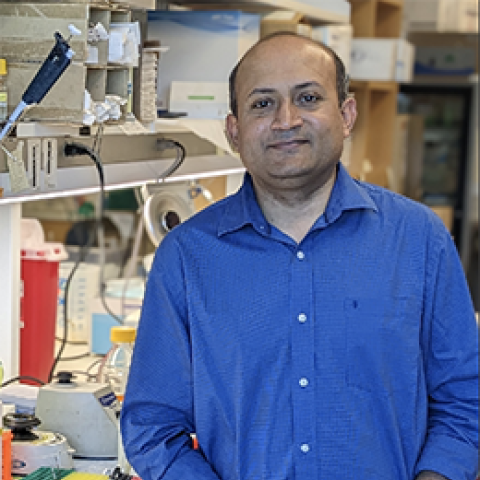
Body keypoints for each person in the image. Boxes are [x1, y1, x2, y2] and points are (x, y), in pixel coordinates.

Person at [120, 32, 479, 480]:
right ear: (234, 131)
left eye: (307, 98)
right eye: (262, 104)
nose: (286, 120)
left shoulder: (419, 239)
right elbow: (152, 426)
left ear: (346, 115)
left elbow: (466, 400)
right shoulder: (187, 258)